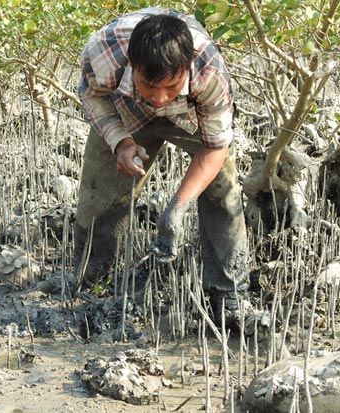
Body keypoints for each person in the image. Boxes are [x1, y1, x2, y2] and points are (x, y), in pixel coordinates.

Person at [75, 7, 249, 324]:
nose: (159, 99)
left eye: (170, 87)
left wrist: (177, 207)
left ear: (186, 68)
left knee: (222, 188)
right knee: (99, 193)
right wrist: (121, 142)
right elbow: (92, 96)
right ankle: (92, 284)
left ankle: (229, 294)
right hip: (125, 111)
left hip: (191, 117)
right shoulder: (104, 52)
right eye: (149, 86)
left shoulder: (209, 71)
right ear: (132, 65)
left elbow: (215, 147)